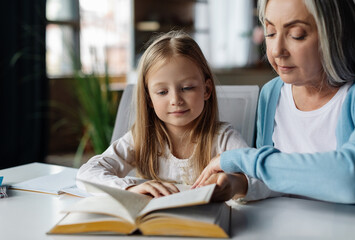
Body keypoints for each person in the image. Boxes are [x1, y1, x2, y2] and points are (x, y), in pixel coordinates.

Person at [193, 0, 355, 207]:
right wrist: (239, 184)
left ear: (335, 33)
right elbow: (272, 178)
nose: (277, 50)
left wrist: (241, 158)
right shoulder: (271, 94)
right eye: (270, 33)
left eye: (296, 34)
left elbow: (353, 179)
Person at [76, 31, 271, 201]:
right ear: (149, 99)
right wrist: (129, 188)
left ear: (207, 90)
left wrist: (236, 183)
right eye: (162, 92)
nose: (175, 100)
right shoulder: (141, 138)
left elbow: (266, 180)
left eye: (187, 88)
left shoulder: (223, 138)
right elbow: (87, 173)